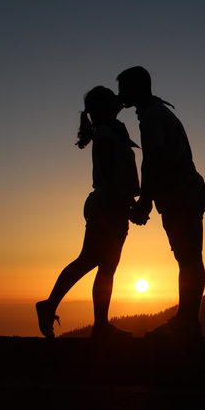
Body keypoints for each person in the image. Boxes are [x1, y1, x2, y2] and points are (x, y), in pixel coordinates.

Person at [36, 86, 140, 339]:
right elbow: (108, 173)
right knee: (92, 260)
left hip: (110, 204)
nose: (118, 97)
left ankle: (99, 325)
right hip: (107, 205)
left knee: (105, 266)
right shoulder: (105, 132)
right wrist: (126, 205)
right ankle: (51, 306)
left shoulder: (111, 130)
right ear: (104, 105)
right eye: (111, 96)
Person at [117, 66, 205, 339]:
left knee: (188, 257)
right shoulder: (156, 113)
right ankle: (188, 320)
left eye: (124, 88)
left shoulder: (152, 116)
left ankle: (187, 322)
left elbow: (153, 160)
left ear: (137, 88)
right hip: (184, 192)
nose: (120, 94)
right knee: (188, 257)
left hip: (182, 193)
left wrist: (144, 201)